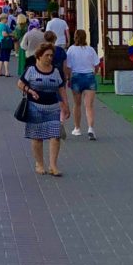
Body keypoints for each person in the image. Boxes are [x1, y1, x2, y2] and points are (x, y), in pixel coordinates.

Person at [18, 43, 70, 177]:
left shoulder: (56, 71)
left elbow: (61, 88)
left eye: (51, 55)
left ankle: (53, 165)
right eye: (46, 55)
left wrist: (65, 104)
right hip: (35, 107)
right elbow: (20, 83)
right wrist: (30, 90)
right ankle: (40, 164)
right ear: (39, 56)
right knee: (37, 137)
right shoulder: (31, 70)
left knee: (55, 136)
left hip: (53, 107)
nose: (49, 58)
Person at [66, 29, 99, 139]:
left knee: (77, 104)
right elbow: (97, 64)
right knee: (89, 106)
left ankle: (77, 128)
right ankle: (91, 128)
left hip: (76, 77)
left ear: (75, 37)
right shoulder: (90, 50)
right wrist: (94, 73)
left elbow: (68, 66)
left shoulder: (71, 49)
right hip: (89, 76)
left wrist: (68, 78)